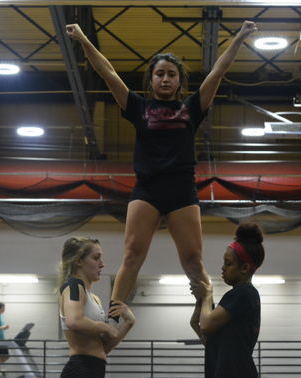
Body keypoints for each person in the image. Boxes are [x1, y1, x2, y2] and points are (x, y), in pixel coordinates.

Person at [66, 20, 258, 312]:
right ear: (151, 80)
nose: (165, 79)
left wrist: (240, 38)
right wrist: (81, 39)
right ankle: (115, 315)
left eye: (171, 74)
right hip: (147, 190)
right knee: (132, 255)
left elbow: (219, 70)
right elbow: (107, 72)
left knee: (193, 261)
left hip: (181, 190)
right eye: (159, 74)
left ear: (179, 80)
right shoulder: (138, 107)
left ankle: (207, 316)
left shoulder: (192, 107)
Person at [190, 223, 264, 378]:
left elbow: (205, 325)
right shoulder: (235, 296)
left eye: (228, 263)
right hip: (220, 374)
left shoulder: (244, 293)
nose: (222, 268)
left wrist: (207, 297)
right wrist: (200, 301)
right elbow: (204, 332)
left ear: (245, 268)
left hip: (235, 375)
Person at [57, 237, 135, 378]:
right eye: (96, 257)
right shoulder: (73, 286)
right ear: (79, 261)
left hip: (96, 371)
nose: (102, 263)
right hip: (81, 370)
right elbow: (74, 320)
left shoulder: (96, 300)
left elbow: (104, 347)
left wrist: (128, 322)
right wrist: (104, 327)